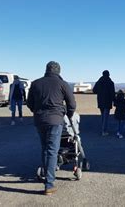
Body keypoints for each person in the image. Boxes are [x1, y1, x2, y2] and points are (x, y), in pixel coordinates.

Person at [27, 61, 76, 195]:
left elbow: (29, 102)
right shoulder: (62, 83)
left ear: (46, 70)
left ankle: (45, 172)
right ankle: (49, 184)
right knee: (52, 150)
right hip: (55, 120)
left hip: (39, 120)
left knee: (45, 148)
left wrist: (37, 111)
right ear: (58, 71)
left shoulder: (36, 83)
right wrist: (68, 114)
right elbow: (71, 103)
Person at [93, 70, 115, 136]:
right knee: (105, 117)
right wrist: (114, 101)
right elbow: (112, 93)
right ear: (108, 74)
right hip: (107, 101)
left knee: (103, 116)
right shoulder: (110, 82)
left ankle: (103, 129)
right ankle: (104, 131)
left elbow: (94, 90)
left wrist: (100, 92)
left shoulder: (99, 82)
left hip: (100, 101)